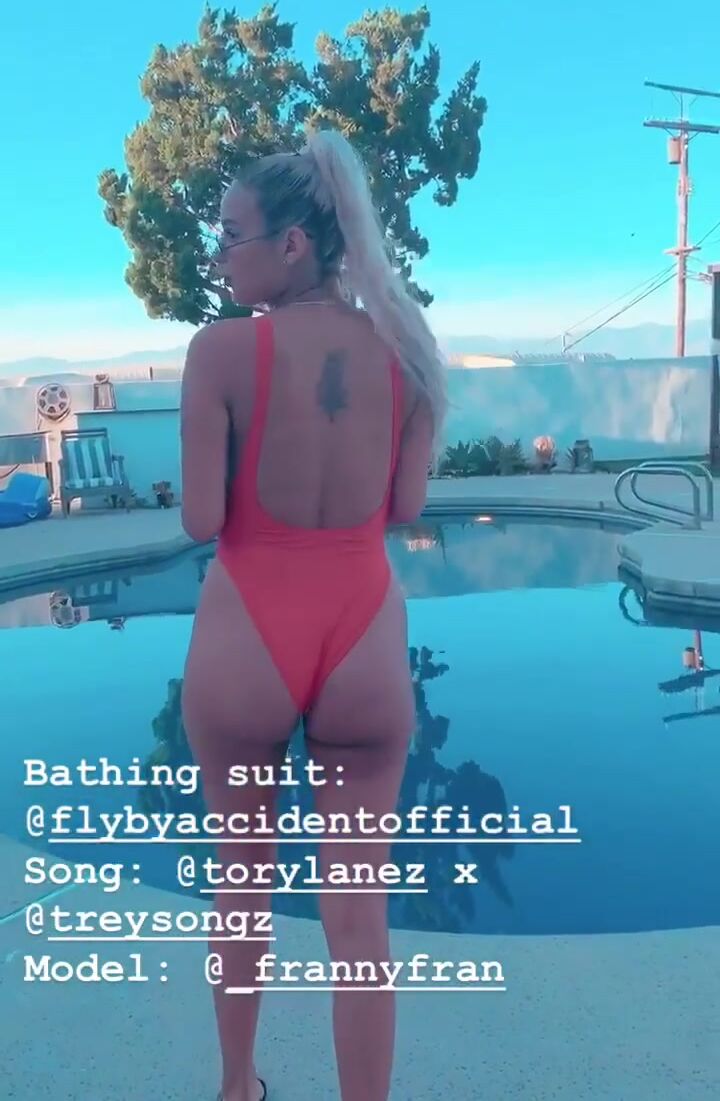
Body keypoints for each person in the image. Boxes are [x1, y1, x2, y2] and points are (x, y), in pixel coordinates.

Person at [179, 128, 448, 1101]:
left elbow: (203, 518)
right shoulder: (409, 353)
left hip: (247, 625)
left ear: (292, 243)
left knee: (241, 881)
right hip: (363, 630)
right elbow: (405, 507)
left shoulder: (220, 352)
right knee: (358, 911)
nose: (220, 255)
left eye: (231, 234)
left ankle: (239, 1088)